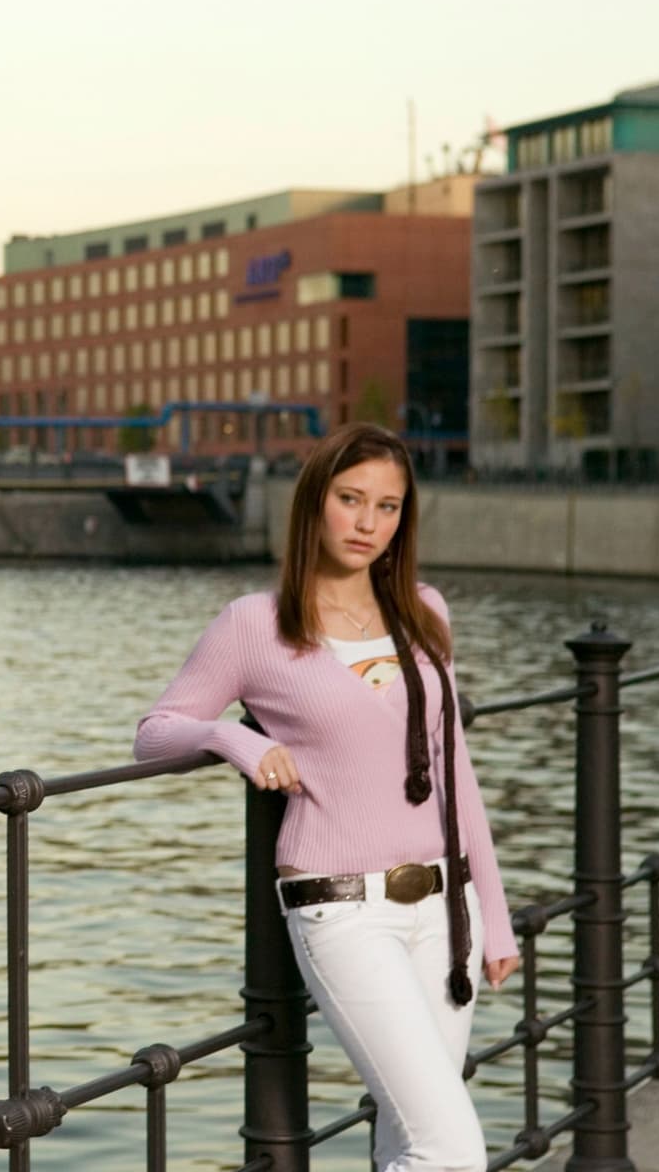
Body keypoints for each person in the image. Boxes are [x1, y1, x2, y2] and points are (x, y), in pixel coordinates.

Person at [134, 422, 518, 1172]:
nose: (368, 522)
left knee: (407, 1141)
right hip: (342, 911)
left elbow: (455, 771)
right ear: (314, 501)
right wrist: (236, 740)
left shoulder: (425, 611)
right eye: (350, 499)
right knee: (451, 1150)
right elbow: (155, 734)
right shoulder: (254, 624)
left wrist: (494, 918)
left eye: (388, 506)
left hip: (447, 911)